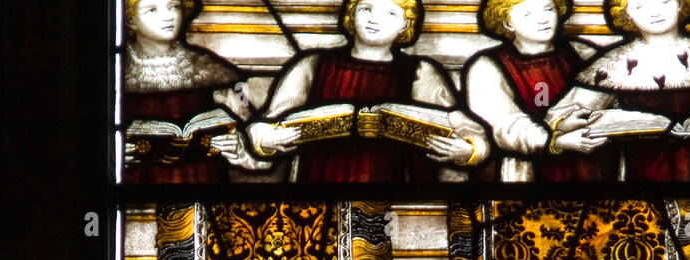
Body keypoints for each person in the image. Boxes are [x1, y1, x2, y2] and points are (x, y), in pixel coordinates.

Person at [247, 0, 488, 182]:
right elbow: (267, 121)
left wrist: (470, 151)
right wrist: (264, 140)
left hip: (394, 188)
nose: (375, 19)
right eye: (366, 9)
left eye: (390, 13)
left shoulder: (421, 72)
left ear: (406, 23)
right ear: (352, 13)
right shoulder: (312, 65)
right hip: (317, 182)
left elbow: (463, 129)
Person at [548, 0, 690, 181]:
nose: (655, 12)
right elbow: (564, 113)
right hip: (644, 177)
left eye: (664, 1)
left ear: (681, 4)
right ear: (626, 14)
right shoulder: (614, 64)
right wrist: (565, 125)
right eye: (640, 6)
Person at [121, 0, 264, 182]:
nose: (168, 16)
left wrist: (239, 142)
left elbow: (246, 113)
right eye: (152, 10)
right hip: (141, 183)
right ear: (130, 20)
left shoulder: (210, 68)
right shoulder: (116, 72)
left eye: (174, 6)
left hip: (203, 179)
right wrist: (113, 152)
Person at [463, 0, 606, 181]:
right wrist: (555, 141)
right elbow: (506, 125)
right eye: (527, 13)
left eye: (549, 9)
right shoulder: (487, 67)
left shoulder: (584, 53)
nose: (543, 20)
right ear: (508, 23)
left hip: (587, 166)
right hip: (525, 173)